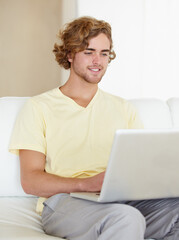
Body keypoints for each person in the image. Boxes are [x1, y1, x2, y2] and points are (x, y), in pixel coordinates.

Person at [9, 16, 179, 240]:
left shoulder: (123, 108)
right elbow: (30, 181)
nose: (98, 60)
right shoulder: (38, 107)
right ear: (70, 54)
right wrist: (86, 184)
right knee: (126, 218)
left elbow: (139, 167)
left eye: (104, 53)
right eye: (89, 52)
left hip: (118, 201)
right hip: (64, 202)